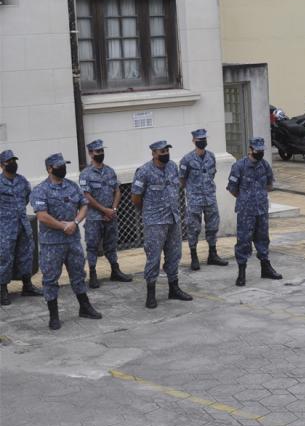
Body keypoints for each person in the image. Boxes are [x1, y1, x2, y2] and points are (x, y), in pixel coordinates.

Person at [31, 153, 102, 330]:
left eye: (64, 165)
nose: (63, 168)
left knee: (78, 274)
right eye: (59, 166)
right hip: (52, 244)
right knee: (50, 279)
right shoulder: (40, 190)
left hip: (72, 241)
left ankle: (84, 307)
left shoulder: (72, 186)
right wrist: (63, 226)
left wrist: (75, 222)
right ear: (49, 169)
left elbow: (84, 205)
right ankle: (54, 316)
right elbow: (42, 215)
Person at [132, 140, 193, 308]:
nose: (165, 153)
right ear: (153, 153)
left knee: (174, 255)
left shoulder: (173, 167)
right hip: (154, 222)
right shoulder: (144, 171)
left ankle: (174, 288)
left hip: (173, 218)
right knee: (153, 258)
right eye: (161, 151)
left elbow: (177, 187)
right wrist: (149, 212)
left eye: (167, 150)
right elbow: (136, 197)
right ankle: (151, 295)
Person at [227, 136, 282, 285]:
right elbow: (232, 189)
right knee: (243, 241)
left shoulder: (264, 165)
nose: (260, 153)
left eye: (262, 150)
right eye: (257, 150)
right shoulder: (239, 166)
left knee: (263, 239)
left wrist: (259, 196)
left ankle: (266, 268)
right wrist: (246, 198)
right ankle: (241, 273)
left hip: (261, 209)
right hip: (246, 211)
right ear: (250, 150)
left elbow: (270, 185)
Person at [78, 139, 132, 289]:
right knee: (92, 245)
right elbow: (86, 196)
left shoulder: (110, 171)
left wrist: (113, 210)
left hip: (110, 216)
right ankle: (93, 274)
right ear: (90, 153)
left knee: (111, 244)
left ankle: (115, 270)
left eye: (102, 151)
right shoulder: (85, 174)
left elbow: (117, 190)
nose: (100, 154)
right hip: (95, 217)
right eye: (97, 151)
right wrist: (104, 210)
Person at [180, 129, 228, 271]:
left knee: (213, 226)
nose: (202, 141)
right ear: (194, 141)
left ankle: (212, 254)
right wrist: (192, 190)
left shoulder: (211, 156)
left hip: (210, 197)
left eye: (204, 139)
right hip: (194, 198)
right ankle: (194, 257)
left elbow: (211, 174)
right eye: (199, 139)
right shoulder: (186, 159)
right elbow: (182, 180)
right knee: (193, 227)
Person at [0, 150, 41, 306]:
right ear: (2, 165)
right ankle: (2, 290)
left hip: (22, 225)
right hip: (5, 227)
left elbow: (25, 199)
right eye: (8, 161)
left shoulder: (22, 181)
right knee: (5, 258)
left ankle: (27, 286)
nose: (12, 164)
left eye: (14, 161)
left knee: (26, 255)